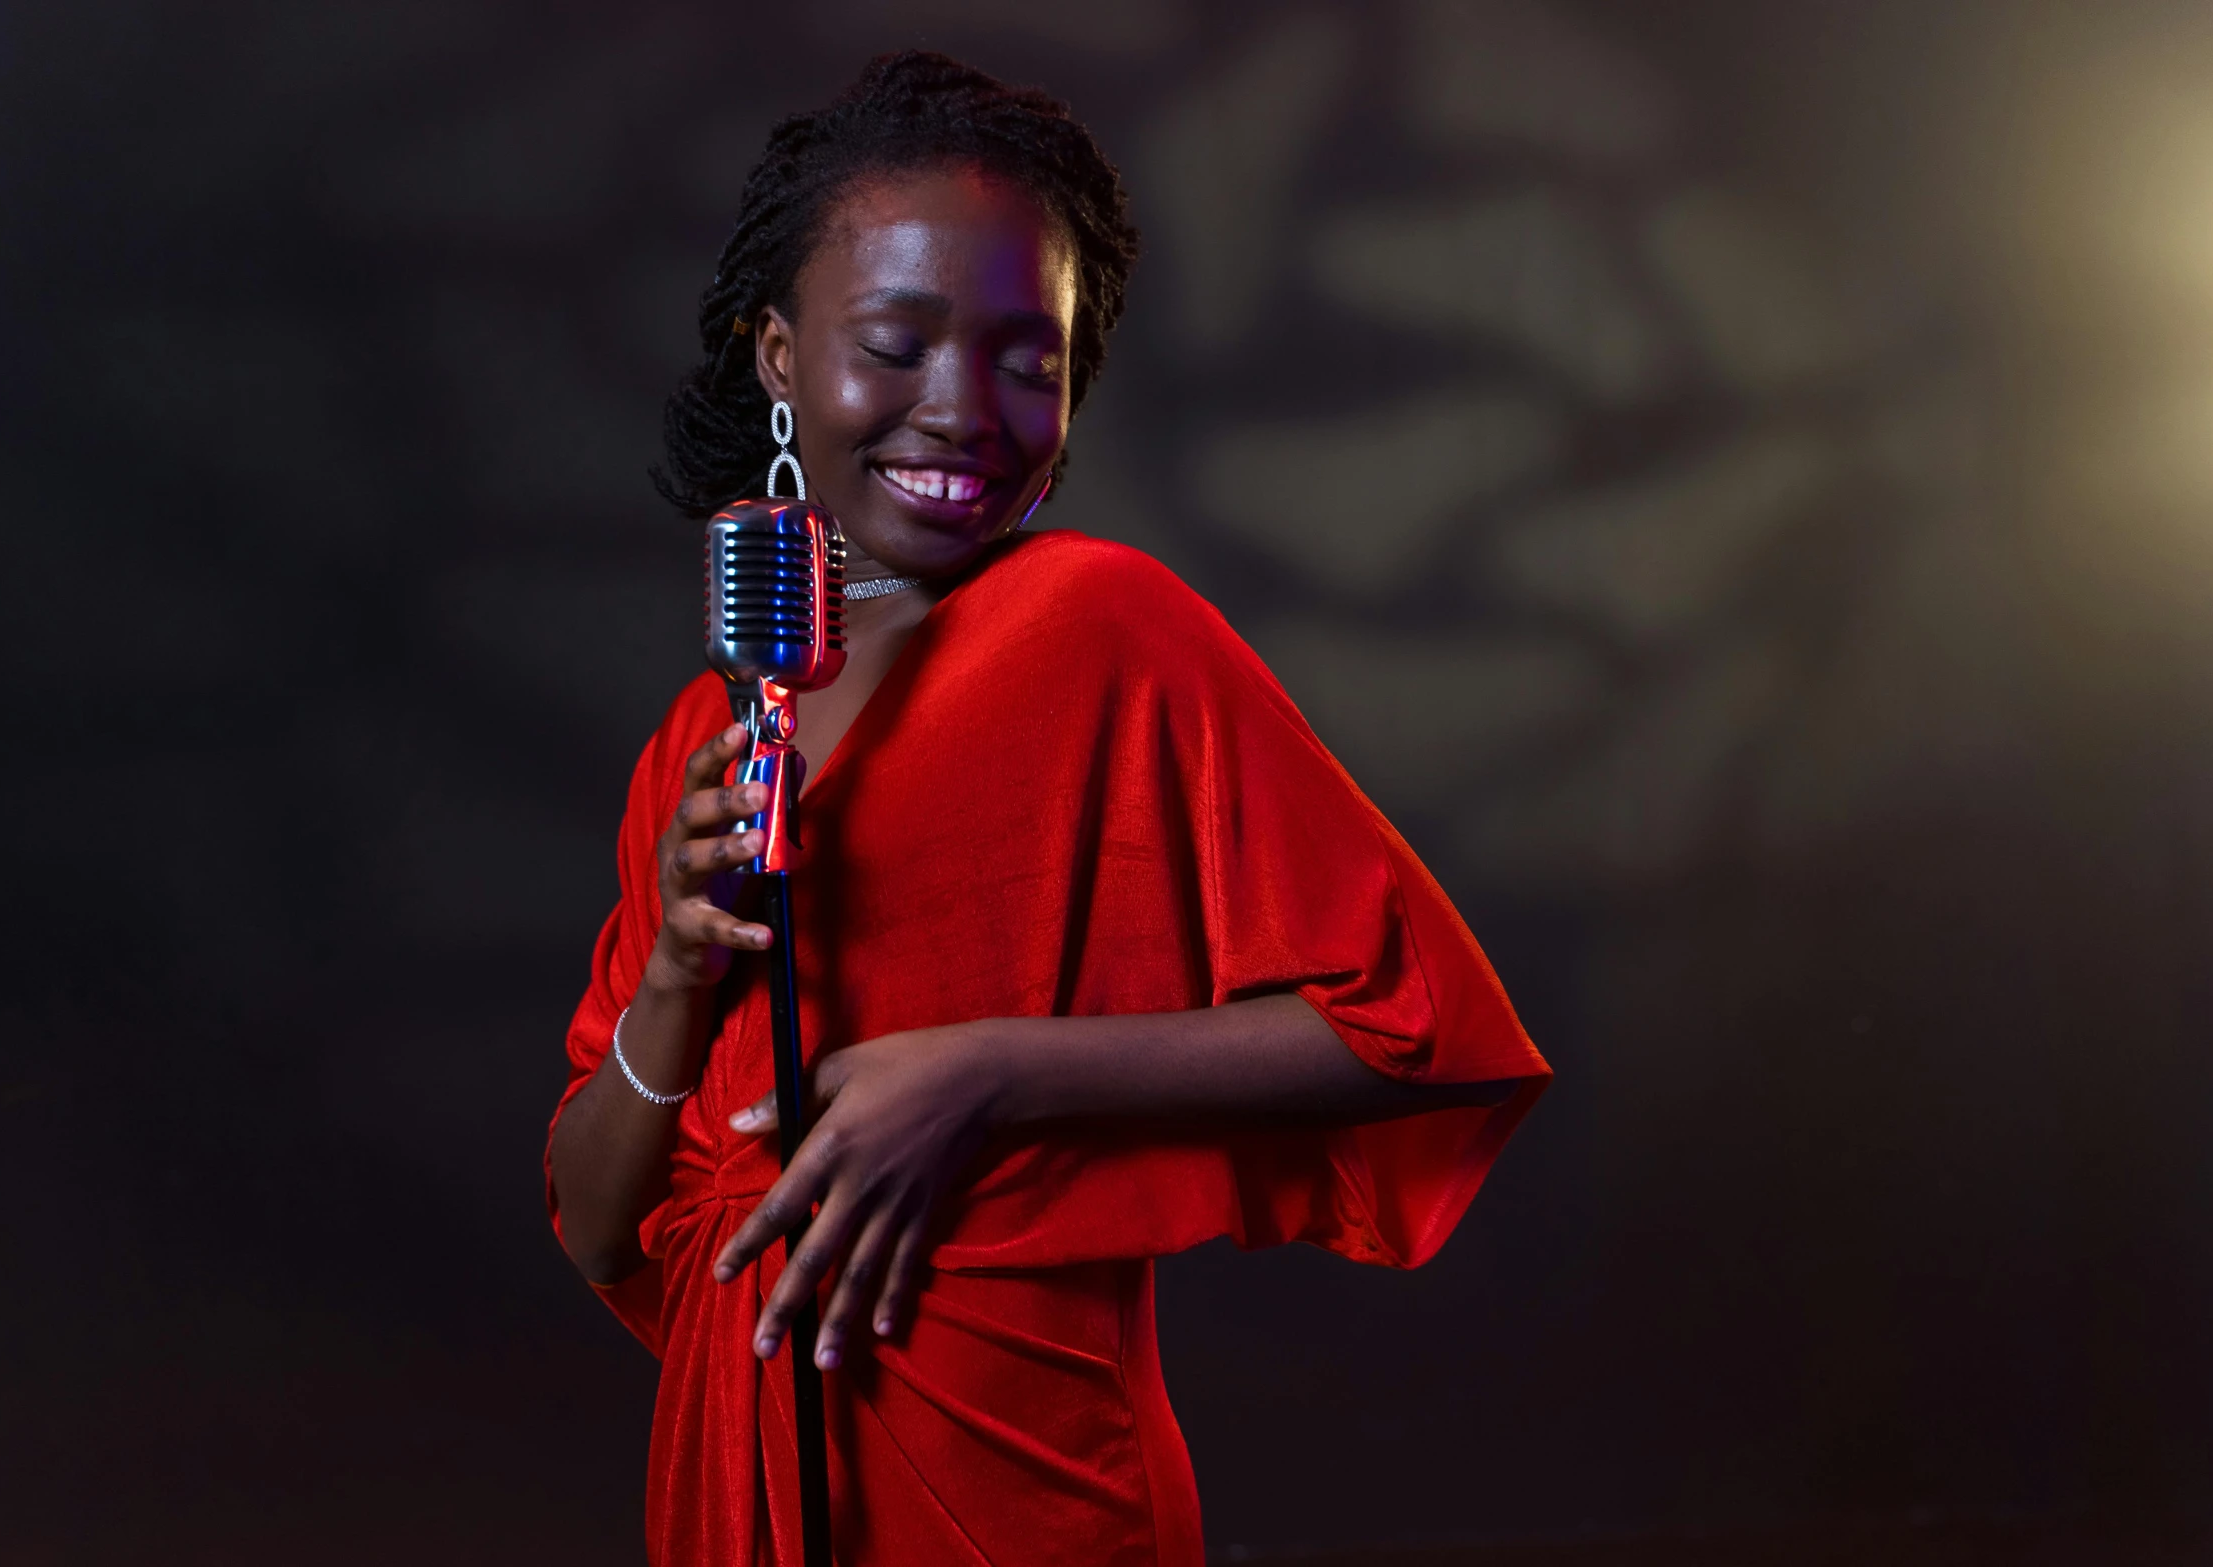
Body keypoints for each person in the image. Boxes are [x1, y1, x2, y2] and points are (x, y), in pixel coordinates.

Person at [546, 50, 1550, 1567]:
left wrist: (986, 1076)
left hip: (1018, 1483)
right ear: (774, 355)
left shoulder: (1099, 629)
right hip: (732, 1479)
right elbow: (596, 1219)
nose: (962, 410)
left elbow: (1411, 1033)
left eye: (1031, 358)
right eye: (896, 341)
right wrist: (680, 975)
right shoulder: (705, 735)